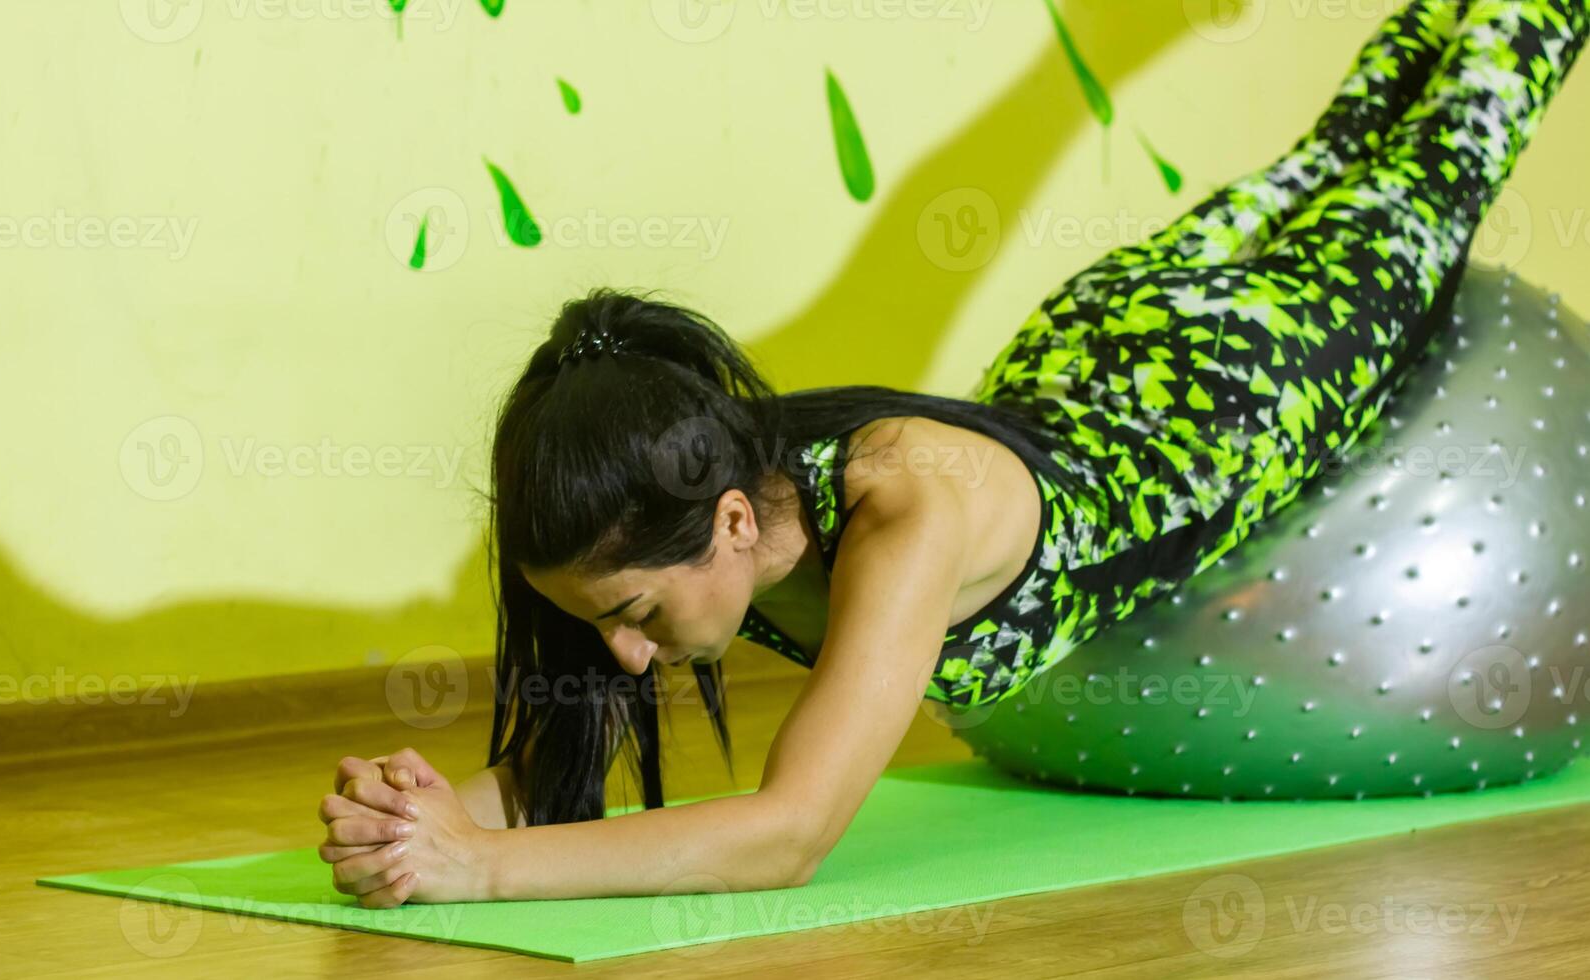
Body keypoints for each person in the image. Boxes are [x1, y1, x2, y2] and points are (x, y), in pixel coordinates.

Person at [317, 0, 1589, 907]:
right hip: (1095, 344)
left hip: (1242, 376)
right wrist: (416, 816)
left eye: (636, 612)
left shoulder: (901, 513)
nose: (627, 652)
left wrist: (477, 869)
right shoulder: (699, 475)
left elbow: (786, 833)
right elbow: (554, 778)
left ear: (734, 527)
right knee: (1353, 133)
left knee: (1464, 97)